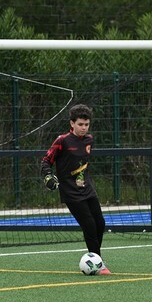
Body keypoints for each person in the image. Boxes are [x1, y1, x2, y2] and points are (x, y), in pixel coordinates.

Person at [41, 104, 111, 274]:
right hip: (70, 192)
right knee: (89, 225)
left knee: (100, 223)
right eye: (80, 124)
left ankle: (95, 258)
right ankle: (98, 264)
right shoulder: (62, 141)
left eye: (86, 124)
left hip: (88, 188)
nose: (83, 128)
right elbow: (46, 161)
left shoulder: (89, 140)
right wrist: (48, 177)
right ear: (72, 123)